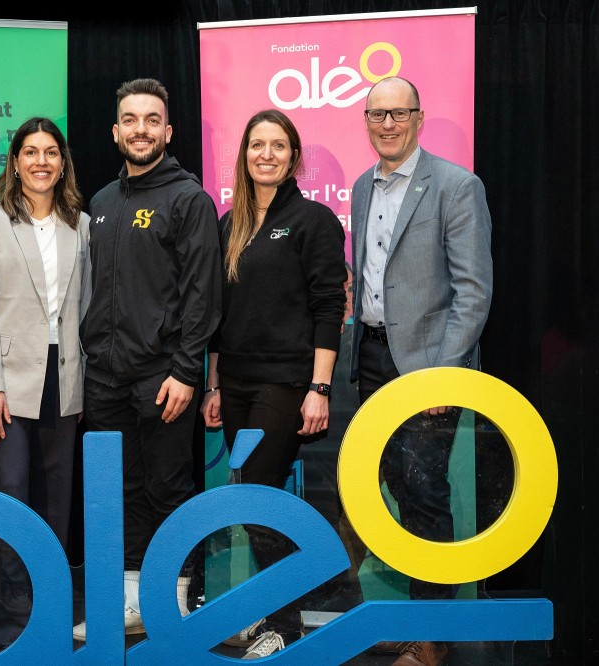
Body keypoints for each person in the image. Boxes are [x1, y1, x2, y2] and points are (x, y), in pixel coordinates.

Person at [72, 77, 223, 641]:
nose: (141, 130)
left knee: (168, 491)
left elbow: (202, 295)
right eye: (130, 120)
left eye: (151, 119)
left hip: (164, 379)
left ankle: (174, 603)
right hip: (106, 380)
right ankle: (134, 604)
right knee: (121, 493)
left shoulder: (189, 199)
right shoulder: (103, 203)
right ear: (116, 132)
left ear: (167, 130)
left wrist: (187, 371)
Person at [350, 76, 493, 666]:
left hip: (432, 365)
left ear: (418, 117)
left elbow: (474, 292)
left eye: (398, 113)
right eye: (377, 115)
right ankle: (410, 617)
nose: (387, 124)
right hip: (374, 358)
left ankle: (432, 634)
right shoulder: (361, 187)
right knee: (392, 492)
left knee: (429, 494)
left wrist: (444, 373)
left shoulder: (458, 186)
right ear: (366, 121)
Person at [199, 109, 346, 659]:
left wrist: (320, 387)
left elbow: (330, 307)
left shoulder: (313, 221)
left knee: (259, 494)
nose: (267, 154)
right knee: (252, 497)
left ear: (293, 156)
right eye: (257, 145)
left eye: (278, 145)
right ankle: (270, 607)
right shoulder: (228, 223)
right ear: (244, 155)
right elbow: (220, 312)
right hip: (235, 383)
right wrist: (213, 385)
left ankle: (284, 623)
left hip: (286, 385)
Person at [0, 117, 91, 654]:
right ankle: (9, 626)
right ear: (15, 162)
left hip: (65, 382)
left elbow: (85, 308)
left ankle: (48, 617)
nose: (41, 161)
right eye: (30, 152)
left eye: (51, 152)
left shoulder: (82, 224)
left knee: (57, 503)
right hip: (9, 385)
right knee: (13, 498)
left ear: (62, 163)